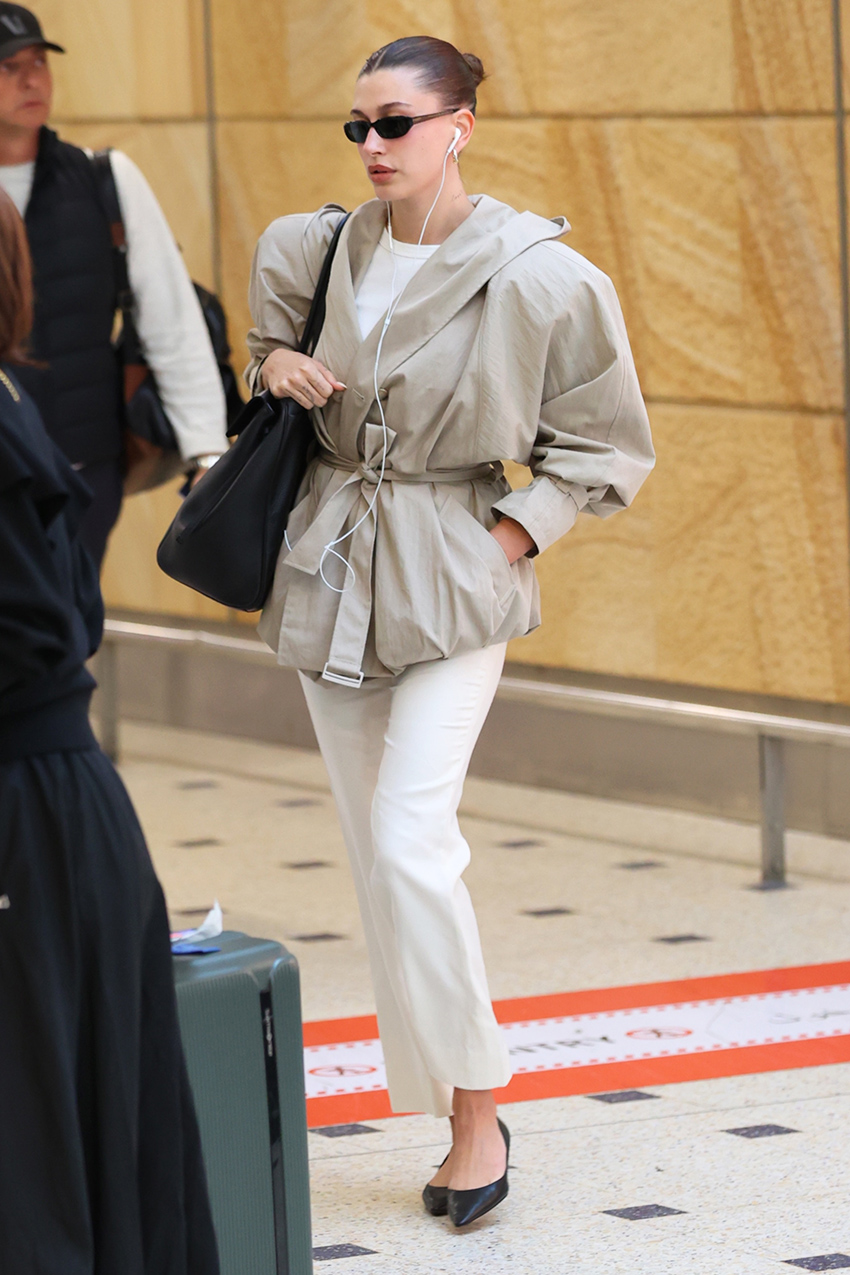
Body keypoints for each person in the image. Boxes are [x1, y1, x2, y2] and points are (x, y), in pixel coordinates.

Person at [247, 35, 655, 1227]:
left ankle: (479, 1104)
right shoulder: (310, 247)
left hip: (455, 570)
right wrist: (276, 363)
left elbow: (604, 443)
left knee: (412, 836)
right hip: (332, 566)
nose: (373, 146)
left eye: (398, 124)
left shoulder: (539, 276)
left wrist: (512, 537)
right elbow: (260, 355)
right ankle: (442, 1098)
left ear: (459, 126)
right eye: (358, 127)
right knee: (378, 863)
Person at [0, 186, 219, 1274]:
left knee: (50, 1124)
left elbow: (35, 629)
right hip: (52, 801)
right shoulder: (12, 399)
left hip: (34, 804)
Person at [0, 2, 227, 567]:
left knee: (69, 639)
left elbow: (171, 319)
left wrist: (206, 451)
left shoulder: (104, 179)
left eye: (38, 61)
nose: (32, 79)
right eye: (8, 66)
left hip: (83, 466)